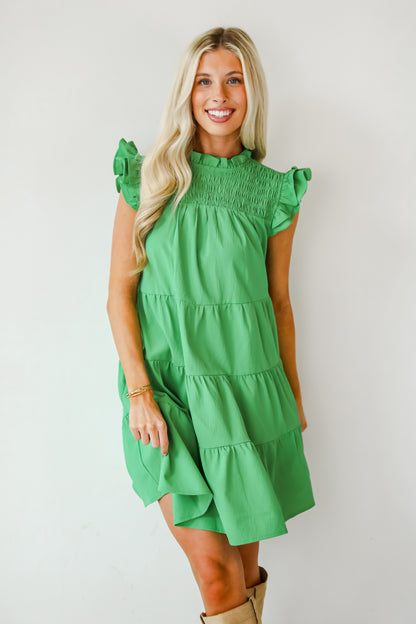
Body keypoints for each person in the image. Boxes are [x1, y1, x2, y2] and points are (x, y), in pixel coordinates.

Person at [107, 26, 315, 624]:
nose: (218, 95)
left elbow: (279, 302)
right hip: (167, 393)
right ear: (187, 91)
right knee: (216, 574)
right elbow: (119, 294)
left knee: (243, 574)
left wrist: (294, 395)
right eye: (204, 81)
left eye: (233, 80)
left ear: (253, 91)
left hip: (248, 392)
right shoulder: (147, 177)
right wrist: (139, 394)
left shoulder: (272, 193)